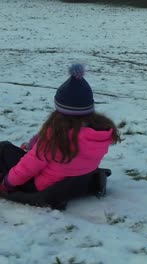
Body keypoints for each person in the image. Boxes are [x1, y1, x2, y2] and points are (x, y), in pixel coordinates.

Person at [0, 64, 121, 195]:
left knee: (4, 148)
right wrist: (34, 146)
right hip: (77, 182)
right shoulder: (101, 133)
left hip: (45, 186)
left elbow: (28, 167)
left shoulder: (57, 135)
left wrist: (7, 184)